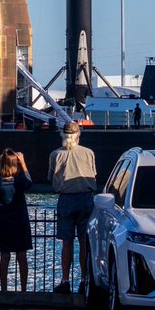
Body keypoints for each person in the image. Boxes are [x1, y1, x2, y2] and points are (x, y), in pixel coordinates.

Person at [47, 120, 97, 293]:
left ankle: (65, 281)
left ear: (63, 135)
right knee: (84, 242)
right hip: (86, 198)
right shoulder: (89, 153)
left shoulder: (55, 154)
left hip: (66, 198)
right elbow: (93, 174)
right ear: (78, 136)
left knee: (66, 242)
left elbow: (51, 177)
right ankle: (85, 280)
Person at [0, 149, 32, 292]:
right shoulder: (19, 181)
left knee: (4, 256)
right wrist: (23, 163)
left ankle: (4, 289)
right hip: (20, 222)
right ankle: (24, 289)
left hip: (3, 223)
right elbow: (28, 182)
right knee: (22, 255)